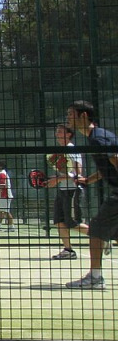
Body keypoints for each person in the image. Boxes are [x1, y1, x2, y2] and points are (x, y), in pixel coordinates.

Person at [66, 101, 118, 289]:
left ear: (84, 116)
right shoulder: (97, 137)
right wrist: (88, 180)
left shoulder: (98, 138)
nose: (68, 118)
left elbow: (116, 160)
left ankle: (95, 278)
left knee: (95, 228)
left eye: (71, 114)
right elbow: (108, 166)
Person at [45, 123, 88, 260]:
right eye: (56, 131)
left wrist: (57, 179)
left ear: (68, 134)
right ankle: (68, 250)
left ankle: (101, 236)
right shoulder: (61, 150)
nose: (57, 133)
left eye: (60, 131)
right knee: (59, 221)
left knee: (72, 222)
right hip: (62, 190)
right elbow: (65, 173)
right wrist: (55, 178)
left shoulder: (71, 149)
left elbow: (77, 173)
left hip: (73, 190)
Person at [0, 161, 14, 232]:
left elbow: (2, 185)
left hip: (5, 195)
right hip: (3, 195)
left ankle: (11, 227)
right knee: (0, 211)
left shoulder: (2, 174)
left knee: (6, 212)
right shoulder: (3, 173)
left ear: (0, 166)